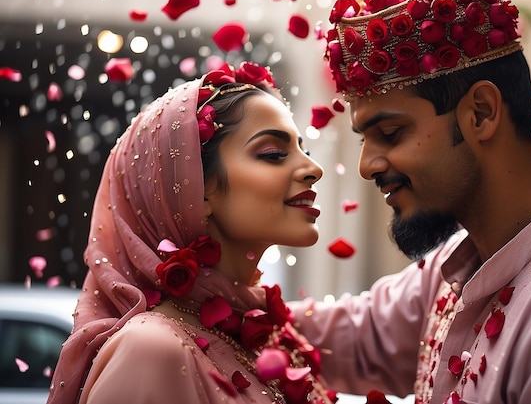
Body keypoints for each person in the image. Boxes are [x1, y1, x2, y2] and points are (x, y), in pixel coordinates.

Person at [289, 0, 531, 403]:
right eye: (364, 139)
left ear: (481, 113)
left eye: (390, 133)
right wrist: (204, 286)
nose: (367, 165)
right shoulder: (458, 266)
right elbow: (347, 339)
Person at [46, 61, 335, 404]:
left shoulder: (261, 331)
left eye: (304, 150)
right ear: (195, 189)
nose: (312, 169)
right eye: (273, 154)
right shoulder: (151, 349)